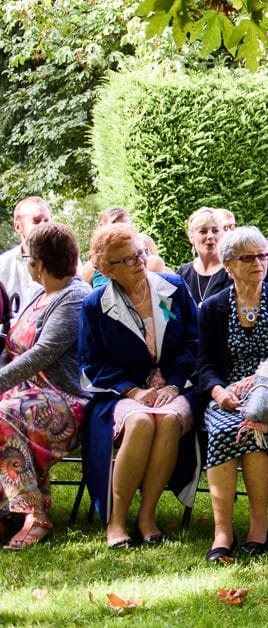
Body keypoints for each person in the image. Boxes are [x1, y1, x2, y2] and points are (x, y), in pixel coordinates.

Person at [79, 223, 200, 548]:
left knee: (169, 420)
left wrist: (174, 384)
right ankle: (116, 521)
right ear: (107, 269)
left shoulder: (173, 288)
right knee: (141, 421)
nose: (139, 262)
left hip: (176, 387)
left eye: (141, 253)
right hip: (121, 393)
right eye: (128, 259)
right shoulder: (95, 305)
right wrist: (134, 391)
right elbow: (91, 364)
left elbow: (193, 342)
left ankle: (147, 516)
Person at [196, 227, 268, 562]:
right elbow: (204, 362)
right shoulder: (212, 308)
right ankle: (222, 531)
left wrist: (260, 376)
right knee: (225, 429)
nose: (259, 262)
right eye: (248, 257)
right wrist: (218, 391)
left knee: (253, 427)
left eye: (263, 255)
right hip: (227, 395)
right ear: (229, 265)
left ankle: (258, 524)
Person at [0, 223, 90, 549]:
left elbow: (42, 353)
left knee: (2, 415)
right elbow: (13, 345)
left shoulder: (74, 297)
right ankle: (7, 512)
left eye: (27, 258)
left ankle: (33, 514)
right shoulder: (42, 294)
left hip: (67, 400)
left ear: (38, 264)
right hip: (27, 396)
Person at [80, 206, 166, 287]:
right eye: (115, 228)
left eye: (126, 227)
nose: (123, 233)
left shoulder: (151, 263)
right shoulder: (90, 269)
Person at [0, 197, 52, 320]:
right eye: (36, 221)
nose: (43, 226)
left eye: (47, 220)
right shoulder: (3, 264)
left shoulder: (67, 262)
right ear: (18, 227)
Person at [177, 207, 231, 307]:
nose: (210, 236)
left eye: (215, 231)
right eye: (203, 231)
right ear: (191, 236)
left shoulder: (231, 272)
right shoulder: (183, 273)